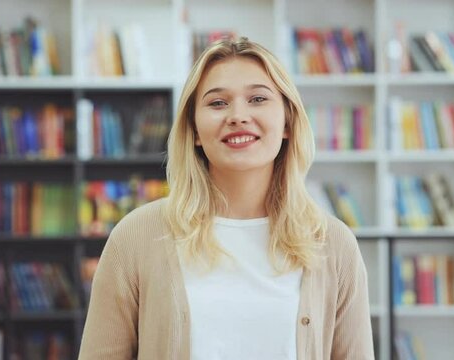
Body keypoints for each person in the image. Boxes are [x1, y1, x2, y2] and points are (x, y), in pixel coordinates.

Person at [78, 37, 374, 359]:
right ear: (193, 129)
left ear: (287, 121)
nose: (238, 116)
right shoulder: (136, 237)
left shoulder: (334, 245)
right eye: (218, 103)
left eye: (258, 98)